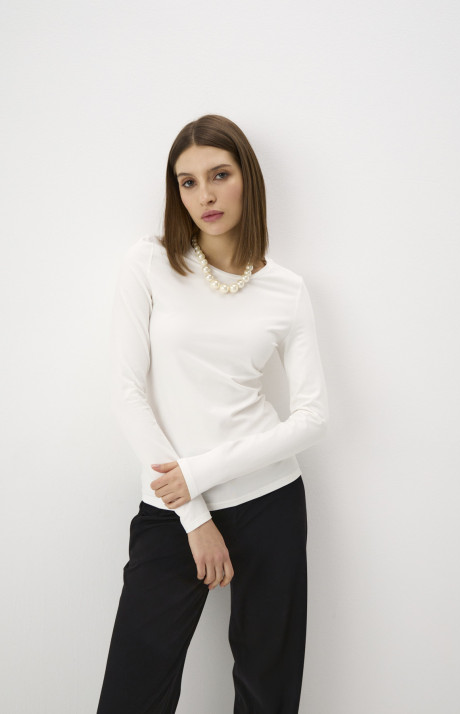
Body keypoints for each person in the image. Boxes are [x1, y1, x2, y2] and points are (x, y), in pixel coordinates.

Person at [96, 114, 329, 714]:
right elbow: (126, 393)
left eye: (219, 175)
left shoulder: (286, 289)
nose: (205, 195)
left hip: (269, 501)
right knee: (131, 693)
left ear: (247, 178)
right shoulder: (149, 262)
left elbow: (313, 417)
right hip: (172, 507)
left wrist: (200, 473)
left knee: (268, 691)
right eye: (188, 182)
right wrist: (194, 513)